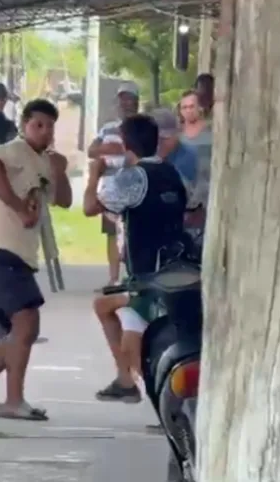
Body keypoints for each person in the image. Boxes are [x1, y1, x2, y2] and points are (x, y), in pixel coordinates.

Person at [0, 99, 72, 421]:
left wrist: (60, 171)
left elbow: (64, 200)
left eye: (49, 126)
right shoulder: (14, 150)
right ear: (24, 125)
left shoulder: (46, 161)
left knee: (19, 332)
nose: (44, 131)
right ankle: (13, 400)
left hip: (18, 255)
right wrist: (19, 207)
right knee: (26, 322)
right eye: (38, 125)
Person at [83, 114, 190, 403]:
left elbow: (90, 207)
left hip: (147, 274)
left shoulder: (133, 176)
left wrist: (94, 175)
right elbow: (192, 209)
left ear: (125, 143)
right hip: (173, 264)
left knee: (134, 348)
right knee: (105, 306)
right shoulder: (171, 172)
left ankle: (161, 398)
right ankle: (125, 380)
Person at [87, 82, 140, 286]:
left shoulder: (142, 126)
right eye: (122, 99)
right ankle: (113, 279)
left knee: (134, 231)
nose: (126, 103)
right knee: (111, 233)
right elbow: (92, 151)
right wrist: (108, 149)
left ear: (136, 102)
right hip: (110, 187)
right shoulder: (108, 128)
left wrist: (121, 152)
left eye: (130, 99)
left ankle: (134, 275)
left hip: (134, 185)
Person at [151, 108, 202, 234]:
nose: (159, 143)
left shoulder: (189, 157)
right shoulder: (147, 155)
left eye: (165, 138)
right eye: (156, 139)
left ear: (177, 134)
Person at [178, 90, 213, 232]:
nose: (188, 110)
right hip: (183, 201)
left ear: (200, 107)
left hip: (208, 198)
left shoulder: (212, 132)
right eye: (184, 107)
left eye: (192, 106)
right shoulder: (176, 136)